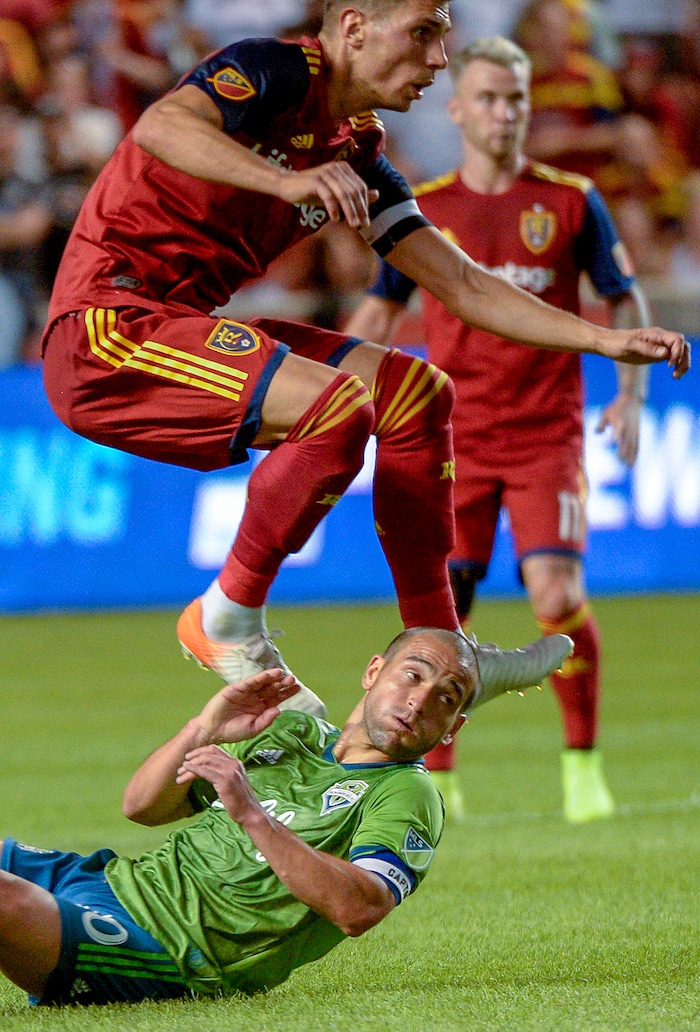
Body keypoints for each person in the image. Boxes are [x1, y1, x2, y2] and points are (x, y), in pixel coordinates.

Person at [40, 0, 689, 718]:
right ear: (353, 28)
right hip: (107, 329)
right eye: (422, 34)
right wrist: (286, 181)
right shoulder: (274, 70)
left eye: (443, 38)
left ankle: (440, 637)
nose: (439, 61)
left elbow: (464, 283)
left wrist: (602, 340)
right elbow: (163, 125)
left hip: (180, 325)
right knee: (338, 403)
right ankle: (226, 613)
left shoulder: (358, 152)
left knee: (416, 392)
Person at [344, 36, 661, 824]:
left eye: (516, 98)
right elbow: (381, 310)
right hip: (452, 435)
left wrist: (629, 395)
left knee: (556, 593)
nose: (503, 113)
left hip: (544, 434)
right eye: (487, 97)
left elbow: (623, 299)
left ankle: (581, 764)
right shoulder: (427, 209)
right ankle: (440, 774)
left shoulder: (568, 199)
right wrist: (335, 397)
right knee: (443, 608)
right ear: (456, 111)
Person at [2, 626, 496, 1007]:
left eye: (446, 698)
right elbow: (142, 807)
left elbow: (361, 908)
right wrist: (205, 726)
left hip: (165, 950)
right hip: (110, 882)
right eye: (413, 674)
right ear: (373, 672)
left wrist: (252, 815)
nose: (420, 700)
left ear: (454, 728)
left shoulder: (406, 792)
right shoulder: (292, 730)